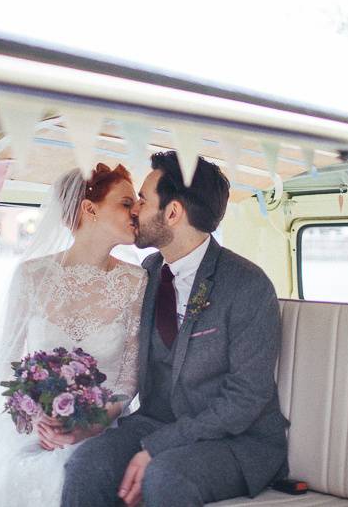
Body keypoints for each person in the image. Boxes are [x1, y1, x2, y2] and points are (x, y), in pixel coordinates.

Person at [62, 151, 289, 507]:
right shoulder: (148, 273)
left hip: (236, 440)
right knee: (86, 465)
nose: (134, 209)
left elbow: (246, 398)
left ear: (172, 213)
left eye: (143, 199)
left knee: (166, 476)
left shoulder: (247, 285)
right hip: (155, 423)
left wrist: (158, 447)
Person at [0, 163, 147, 506]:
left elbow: (128, 379)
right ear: (89, 209)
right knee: (18, 472)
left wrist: (90, 425)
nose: (137, 211)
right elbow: (8, 360)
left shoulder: (136, 281)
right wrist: (36, 416)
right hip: (34, 426)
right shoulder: (31, 275)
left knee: (79, 476)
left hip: (102, 428)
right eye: (125, 203)